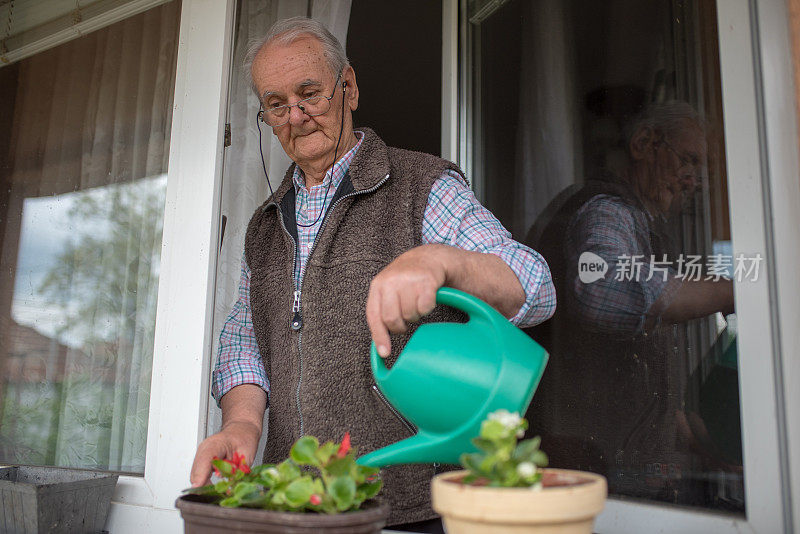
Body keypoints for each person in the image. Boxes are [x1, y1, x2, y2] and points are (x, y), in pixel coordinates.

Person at [189, 17, 555, 530]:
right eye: (276, 104)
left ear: (349, 87)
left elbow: (535, 286)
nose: (295, 116)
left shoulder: (422, 185)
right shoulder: (265, 225)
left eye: (309, 93)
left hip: (412, 509)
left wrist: (443, 260)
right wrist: (243, 424)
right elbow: (245, 339)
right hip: (301, 508)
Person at [527, 101, 736, 503]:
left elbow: (625, 373)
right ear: (644, 144)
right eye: (688, 160)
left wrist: (688, 436)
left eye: (701, 171)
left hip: (608, 468)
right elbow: (602, 289)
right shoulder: (609, 209)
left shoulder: (640, 222)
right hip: (587, 469)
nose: (693, 181)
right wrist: (729, 291)